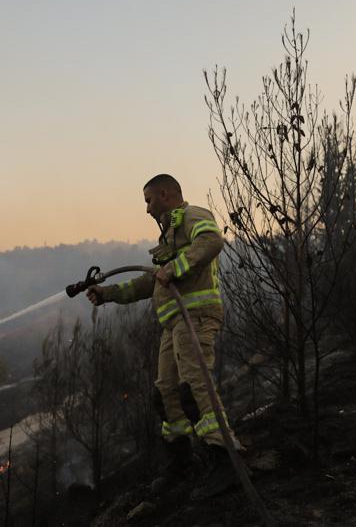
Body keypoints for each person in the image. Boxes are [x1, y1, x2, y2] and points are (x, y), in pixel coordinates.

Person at [87, 173, 238, 500]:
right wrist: (109, 293)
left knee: (194, 386)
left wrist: (174, 267)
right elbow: (154, 281)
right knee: (166, 394)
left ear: (166, 195)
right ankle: (181, 465)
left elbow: (212, 241)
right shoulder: (171, 235)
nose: (146, 210)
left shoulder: (193, 216)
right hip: (175, 324)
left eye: (149, 200)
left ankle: (226, 458)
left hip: (195, 316)